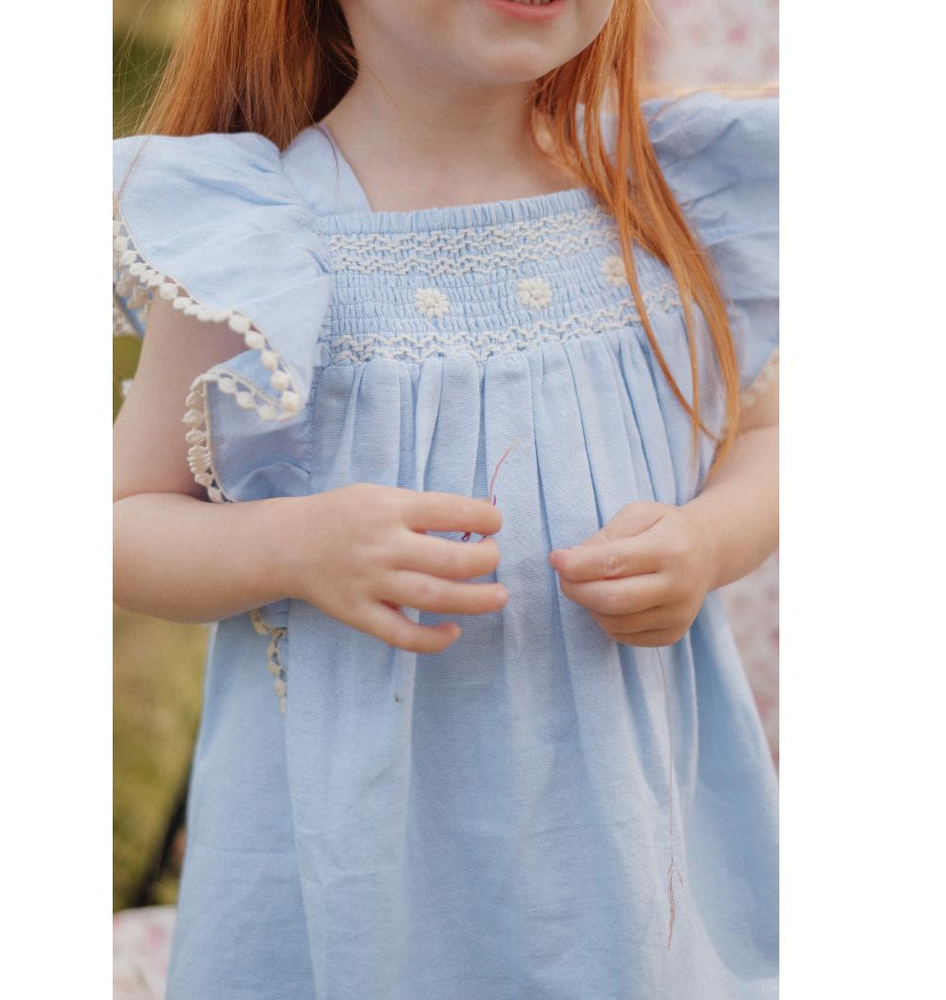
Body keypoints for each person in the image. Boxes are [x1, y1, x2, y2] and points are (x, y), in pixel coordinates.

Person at [112, 0, 779, 996]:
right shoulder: (259, 236)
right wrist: (293, 544)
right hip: (357, 870)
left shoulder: (663, 191)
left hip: (627, 858)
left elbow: (769, 439)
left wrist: (706, 542)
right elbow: (120, 521)